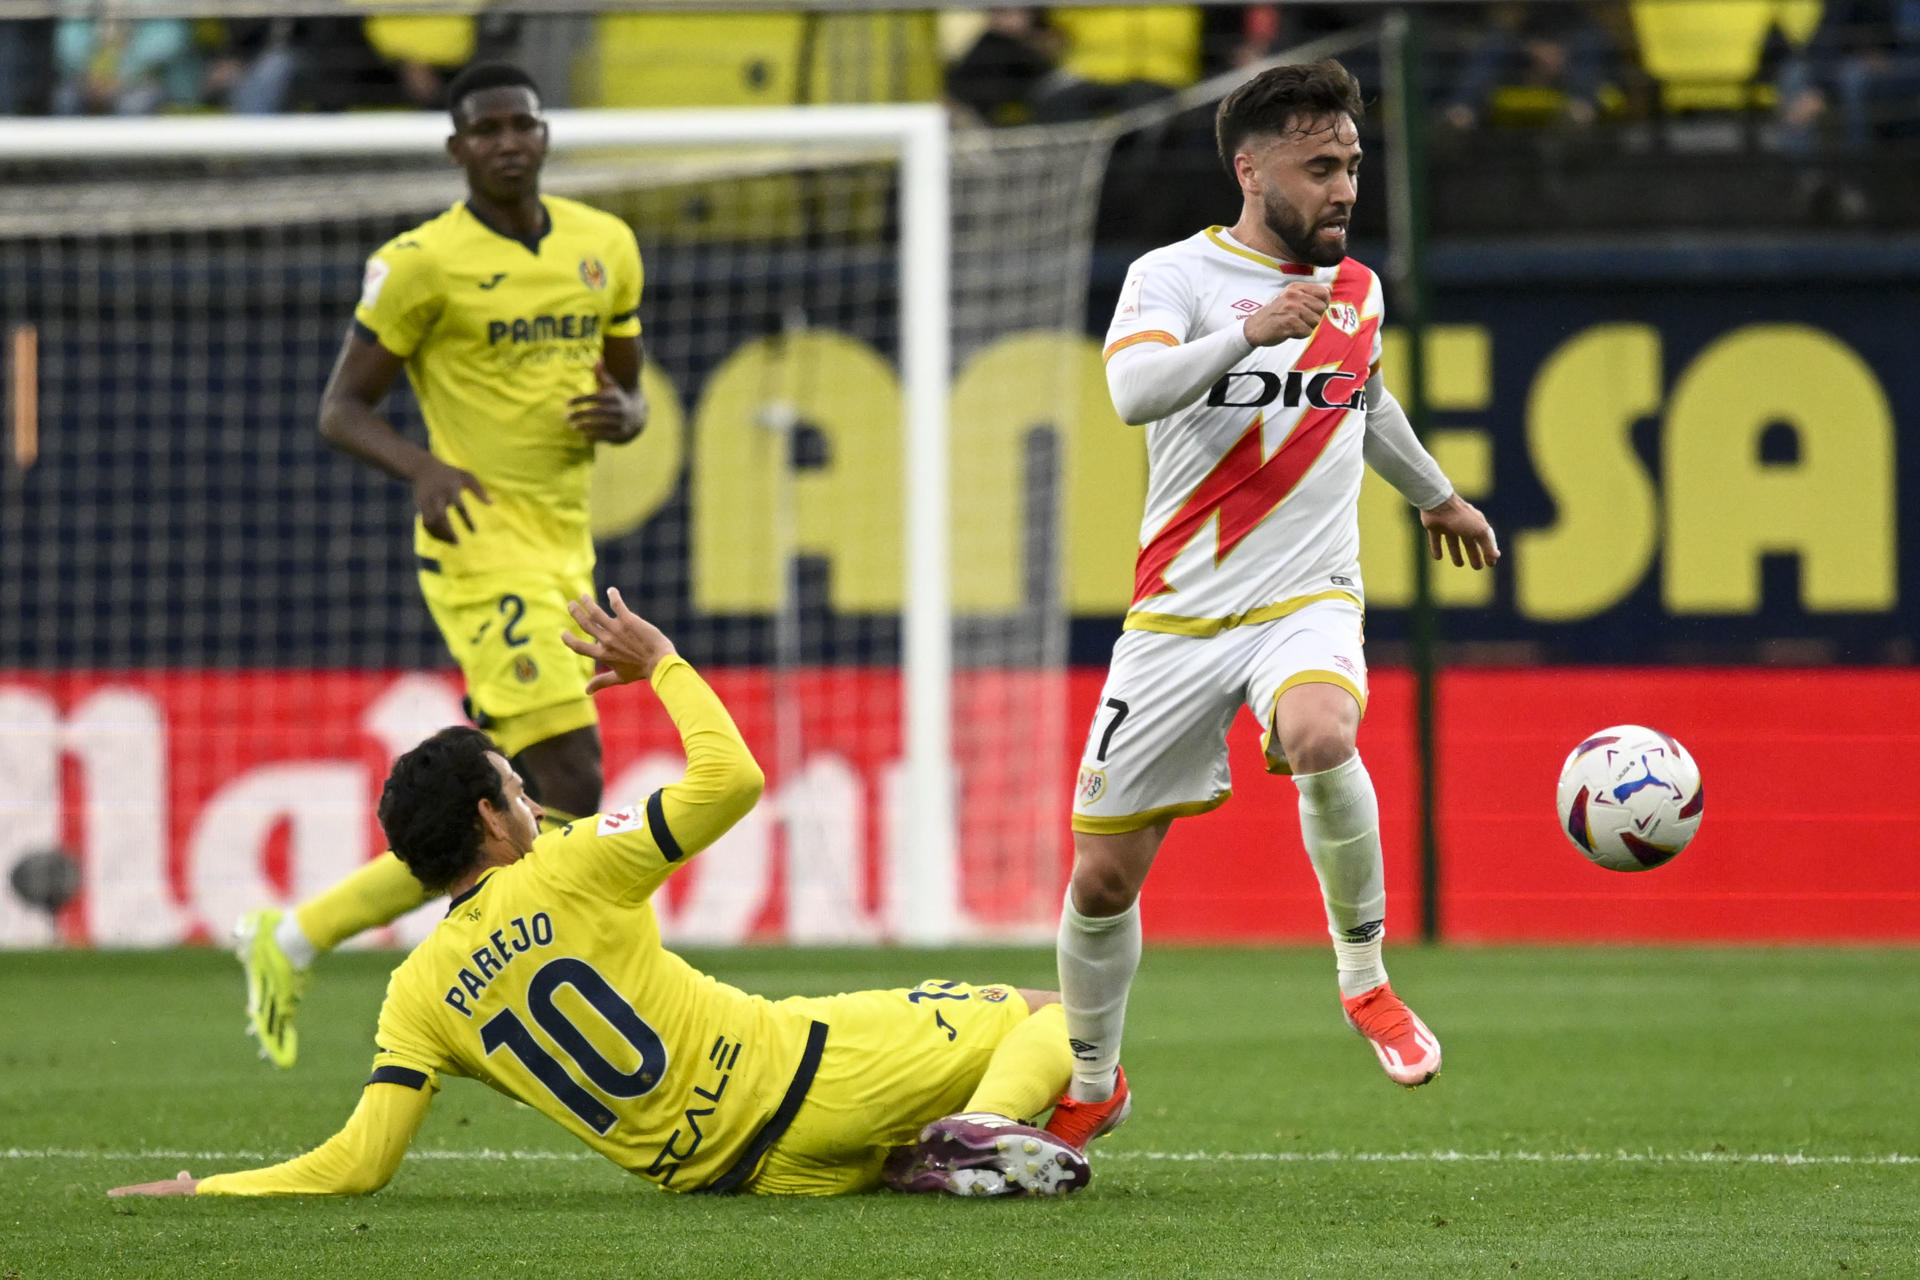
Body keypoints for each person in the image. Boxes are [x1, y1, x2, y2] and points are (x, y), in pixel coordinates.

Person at [113, 592, 1093, 1200]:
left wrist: (206, 1185)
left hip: (741, 1174)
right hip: (801, 1073)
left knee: (983, 1082)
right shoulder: (572, 860)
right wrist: (662, 662)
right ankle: (983, 1129)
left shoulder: (416, 993)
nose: (532, 794)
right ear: (494, 819)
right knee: (1061, 1019)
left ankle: (940, 1149)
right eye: (514, 781)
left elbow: (355, 1164)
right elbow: (733, 780)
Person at [1044, 59, 1499, 1148]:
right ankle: (1093, 1080)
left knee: (1319, 726)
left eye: (1351, 164)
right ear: (1251, 170)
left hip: (1305, 594)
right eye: (1319, 166)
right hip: (1175, 616)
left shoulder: (1360, 290)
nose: (1344, 187)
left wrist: (1436, 494)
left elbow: (1367, 397)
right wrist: (1249, 332)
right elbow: (1129, 392)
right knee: (1102, 878)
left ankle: (1364, 977)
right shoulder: (1175, 276)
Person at [234, 62, 649, 1070]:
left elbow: (627, 384)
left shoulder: (607, 246)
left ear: (544, 136)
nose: (508, 140)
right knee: (573, 776)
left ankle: (293, 935)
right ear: (458, 149)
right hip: (479, 546)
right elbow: (341, 407)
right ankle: (589, 980)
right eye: (486, 128)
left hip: (563, 540)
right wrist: (421, 465)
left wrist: (629, 415)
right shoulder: (421, 263)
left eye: (522, 124)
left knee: (495, 807)